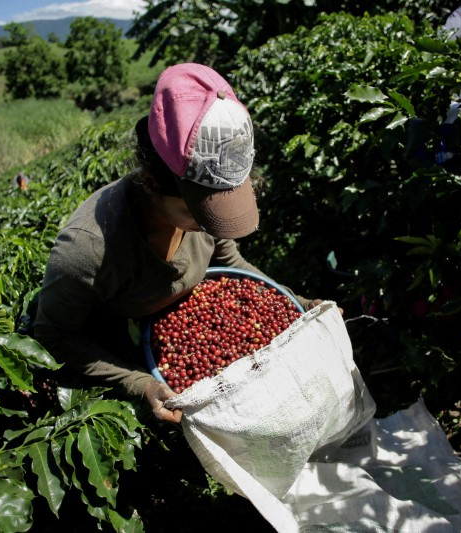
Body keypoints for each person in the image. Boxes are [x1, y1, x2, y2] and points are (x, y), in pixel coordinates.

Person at [34, 63, 319, 424]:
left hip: (185, 334)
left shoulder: (204, 203)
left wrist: (298, 303)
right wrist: (140, 383)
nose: (209, 226)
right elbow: (54, 334)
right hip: (122, 351)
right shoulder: (87, 251)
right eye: (199, 212)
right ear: (152, 183)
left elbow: (231, 265)